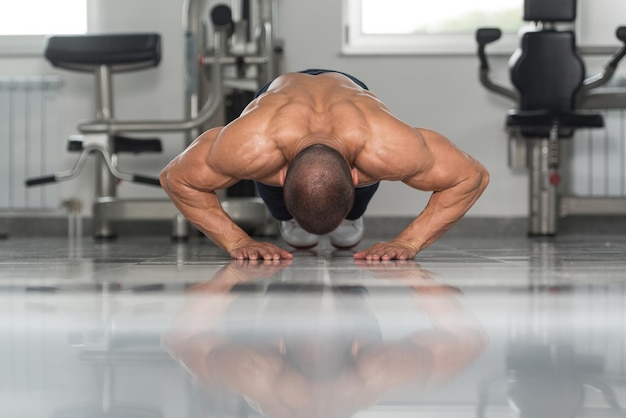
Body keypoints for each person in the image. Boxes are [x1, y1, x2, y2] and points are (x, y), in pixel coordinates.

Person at [160, 69, 489, 260]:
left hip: (352, 100)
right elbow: (176, 178)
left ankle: (350, 216)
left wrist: (409, 242)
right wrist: (238, 242)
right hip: (276, 106)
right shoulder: (252, 145)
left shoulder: (385, 145)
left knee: (347, 195)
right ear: (281, 173)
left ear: (359, 173)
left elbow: (471, 177)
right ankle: (289, 218)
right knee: (259, 168)